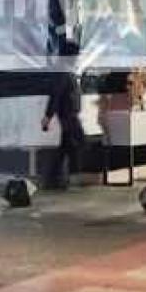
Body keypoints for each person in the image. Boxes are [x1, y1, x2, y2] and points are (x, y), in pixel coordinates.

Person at [41, 41, 85, 189]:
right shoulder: (62, 72)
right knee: (77, 143)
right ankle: (66, 177)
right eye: (75, 56)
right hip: (68, 115)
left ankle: (53, 179)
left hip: (69, 114)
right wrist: (48, 116)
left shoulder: (66, 71)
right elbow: (56, 95)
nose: (77, 58)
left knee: (66, 146)